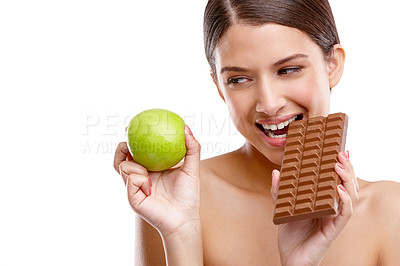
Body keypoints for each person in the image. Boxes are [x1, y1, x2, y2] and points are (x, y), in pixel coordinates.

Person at [114, 0, 400, 265]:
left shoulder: (389, 213)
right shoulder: (178, 200)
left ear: (333, 65)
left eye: (288, 70)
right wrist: (180, 233)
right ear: (219, 86)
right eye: (239, 79)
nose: (270, 103)